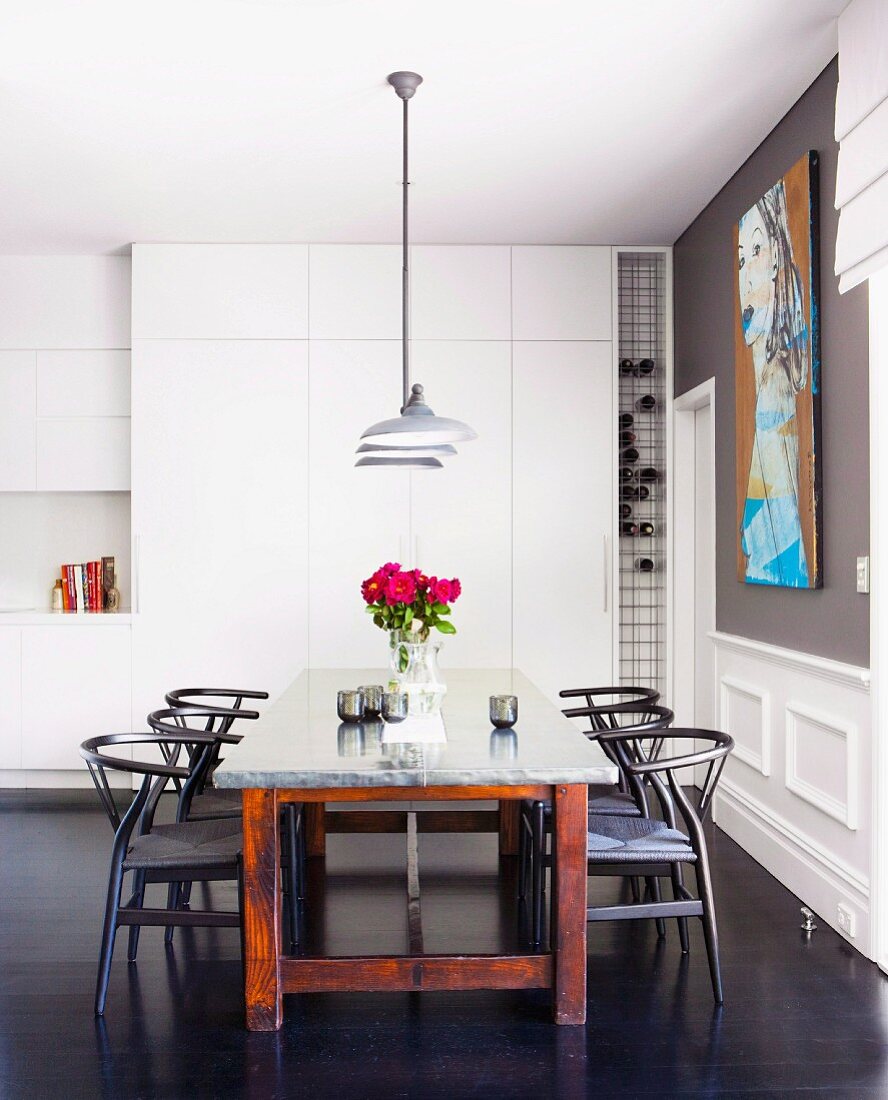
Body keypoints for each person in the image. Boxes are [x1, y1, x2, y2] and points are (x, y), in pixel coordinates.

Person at [737, 178, 810, 587]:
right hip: (764, 499)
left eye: (757, 250)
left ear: (778, 257)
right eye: (742, 259)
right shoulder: (759, 332)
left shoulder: (782, 338)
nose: (747, 272)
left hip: (778, 508)